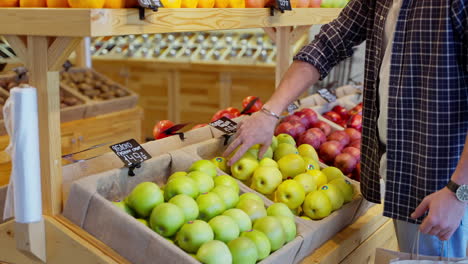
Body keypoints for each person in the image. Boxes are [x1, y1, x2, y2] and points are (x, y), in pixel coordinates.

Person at [224, 0, 468, 258]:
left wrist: (458, 192)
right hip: (406, 174)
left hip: (445, 184)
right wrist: (269, 112)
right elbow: (328, 44)